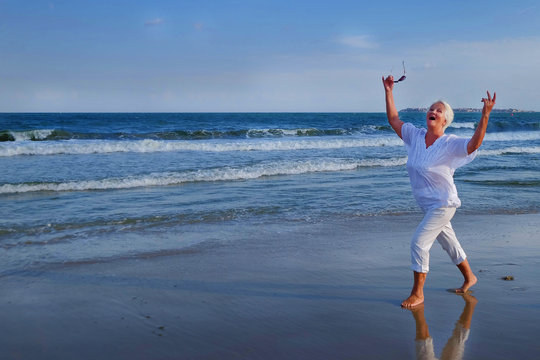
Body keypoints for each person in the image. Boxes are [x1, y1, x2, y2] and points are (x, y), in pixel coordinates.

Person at [382, 74, 496, 308]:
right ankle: (470, 277)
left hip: (443, 204)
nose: (433, 111)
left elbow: (474, 144)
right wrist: (389, 91)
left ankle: (418, 293)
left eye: (439, 110)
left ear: (445, 121)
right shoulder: (414, 135)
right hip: (428, 206)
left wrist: (485, 116)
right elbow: (394, 119)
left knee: (418, 243)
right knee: (449, 243)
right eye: (431, 109)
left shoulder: (450, 143)